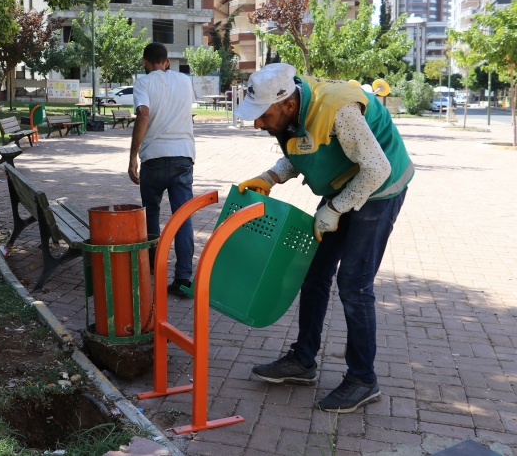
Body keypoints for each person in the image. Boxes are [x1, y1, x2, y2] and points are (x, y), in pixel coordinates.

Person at [235, 63, 412, 413]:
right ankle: (303, 360)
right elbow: (305, 148)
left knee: (354, 283)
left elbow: (377, 169)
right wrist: (271, 177)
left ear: (286, 105)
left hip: (380, 186)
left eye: (263, 115)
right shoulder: (293, 111)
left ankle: (363, 379)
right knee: (314, 271)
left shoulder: (337, 110)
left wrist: (336, 208)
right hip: (346, 181)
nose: (258, 123)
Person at [128, 42, 196, 297]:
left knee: (151, 216)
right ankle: (183, 279)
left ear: (145, 62)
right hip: (182, 157)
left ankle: (152, 270)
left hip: (154, 158)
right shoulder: (184, 81)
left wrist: (133, 156)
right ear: (166, 62)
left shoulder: (143, 83)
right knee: (183, 219)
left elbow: (143, 114)